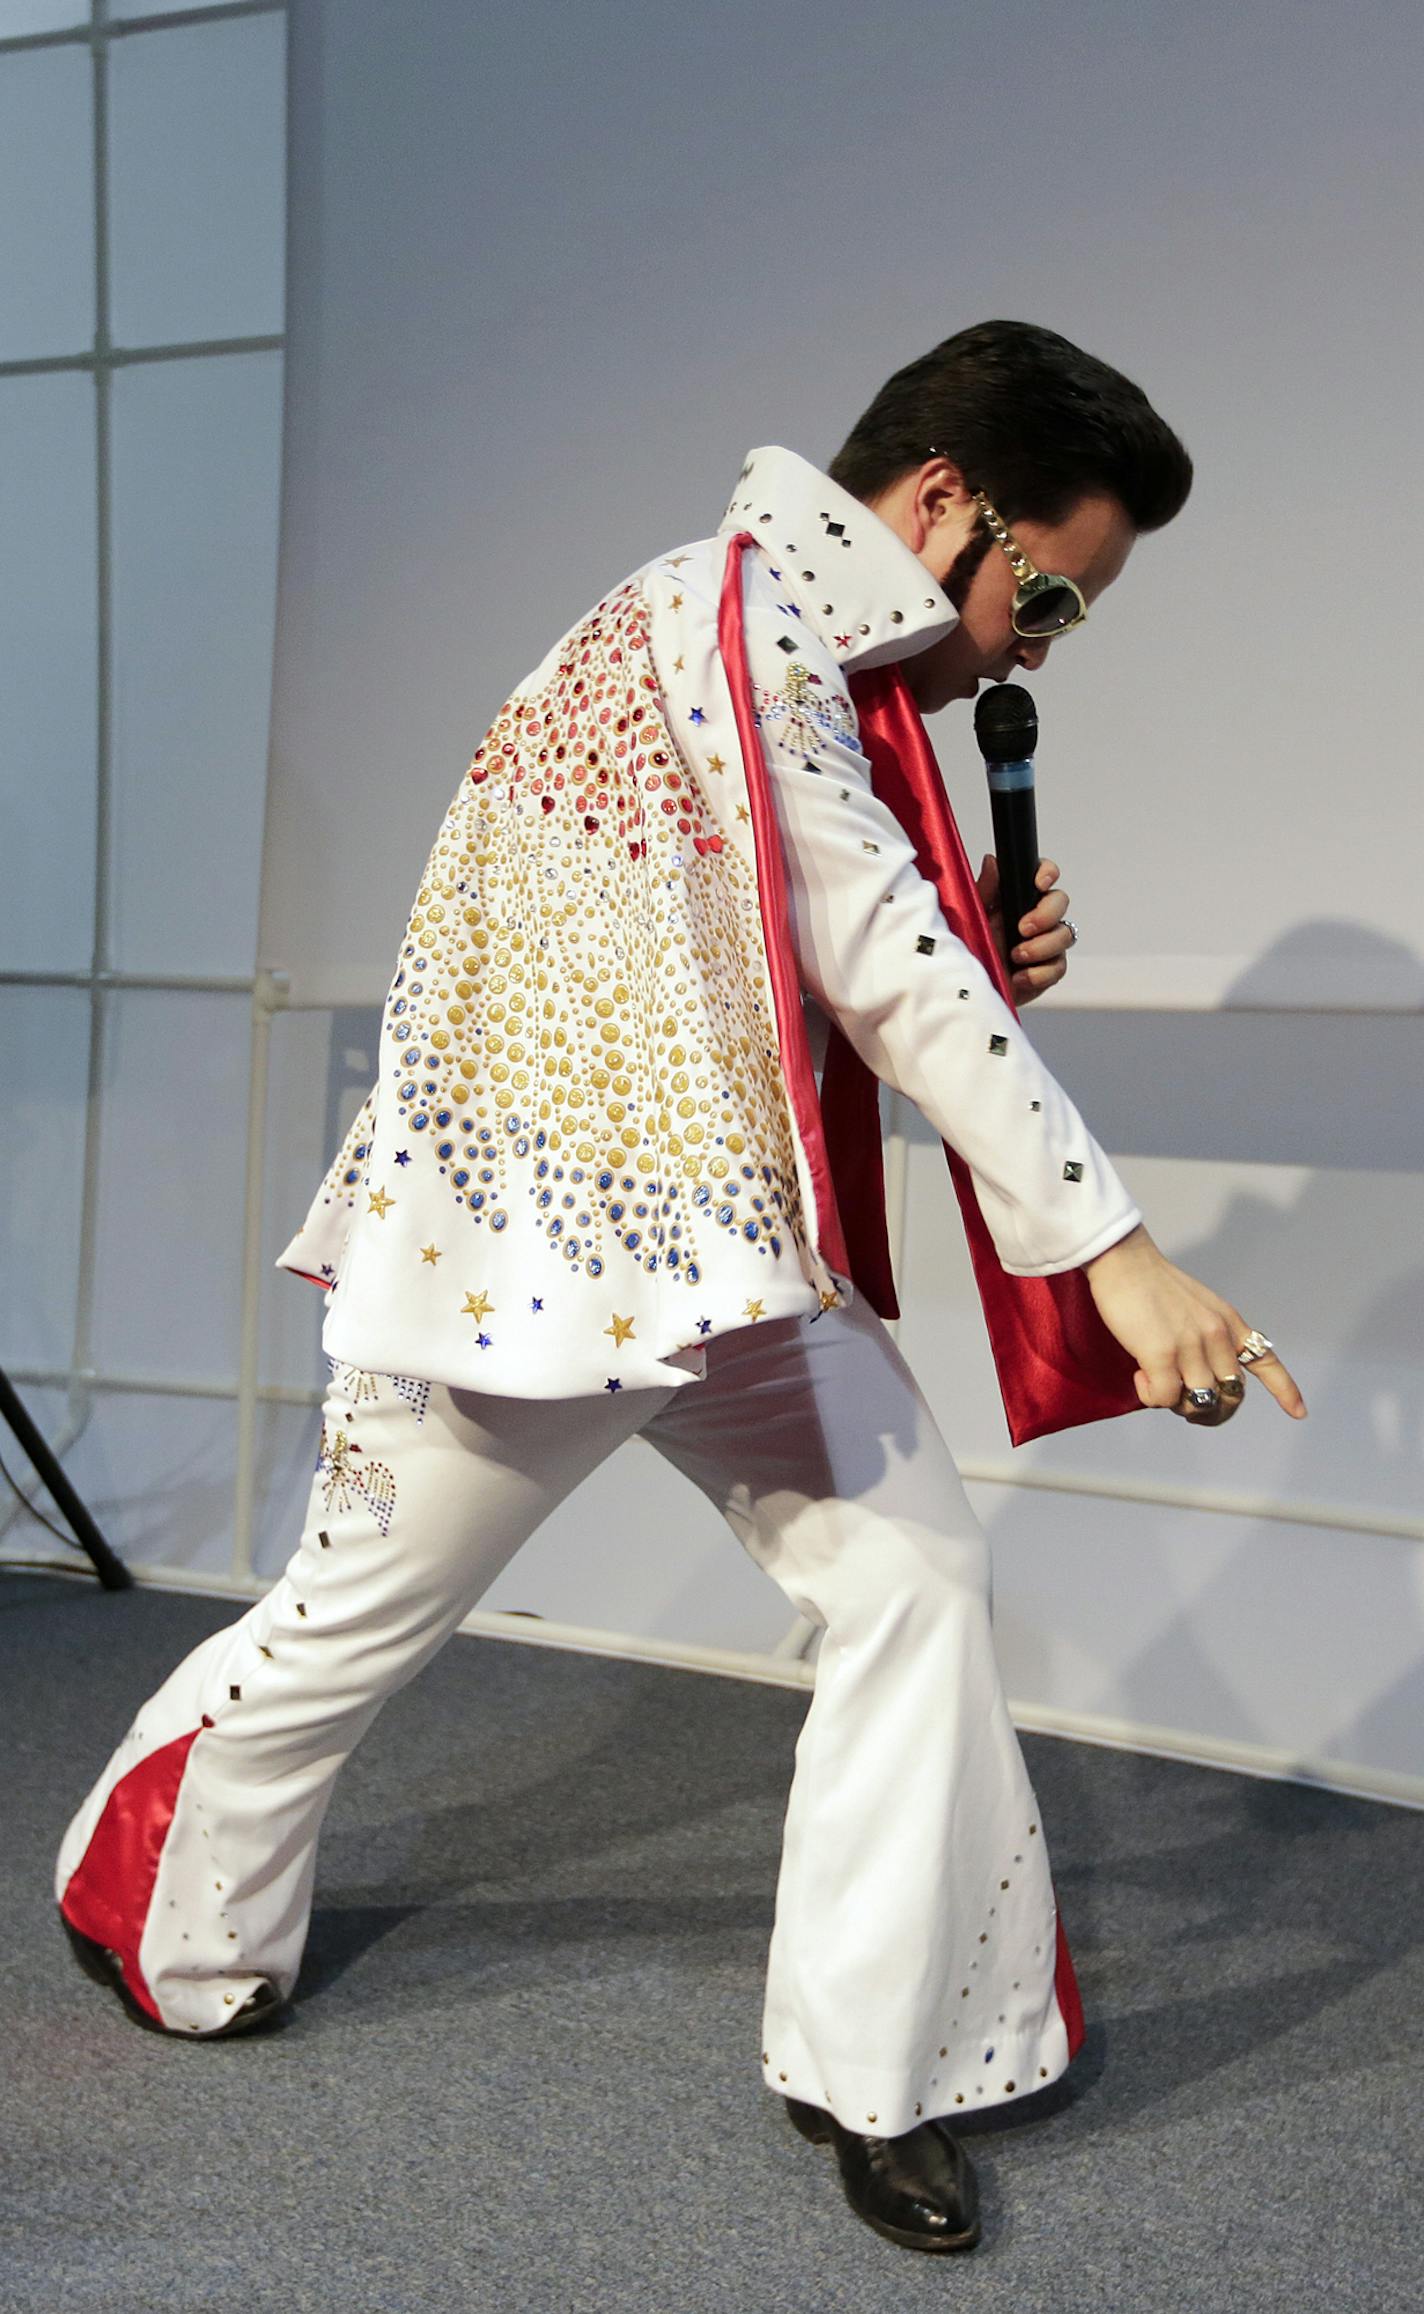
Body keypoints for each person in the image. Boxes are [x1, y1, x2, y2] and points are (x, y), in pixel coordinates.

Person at [54, 320, 1306, 2257]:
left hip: (720, 1252)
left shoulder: (795, 650)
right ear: (939, 503)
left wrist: (981, 944)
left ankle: (872, 2060)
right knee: (346, 1629)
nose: (1039, 645)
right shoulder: (723, 634)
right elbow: (874, 946)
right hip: (526, 1257)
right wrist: (1114, 1247)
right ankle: (157, 1904)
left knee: (912, 1583)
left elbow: (789, 948)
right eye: (1045, 590)